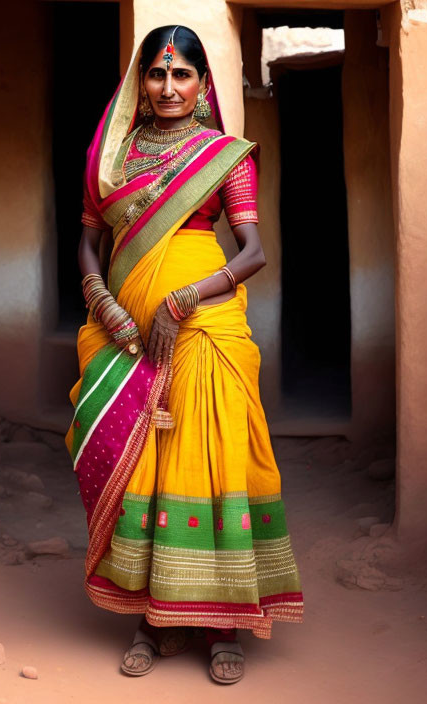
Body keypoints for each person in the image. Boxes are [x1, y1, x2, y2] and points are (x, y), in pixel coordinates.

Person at [64, 24, 303, 685]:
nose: (168, 87)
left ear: (201, 86)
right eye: (157, 74)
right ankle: (156, 616)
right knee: (143, 461)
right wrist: (99, 297)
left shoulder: (224, 155)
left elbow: (253, 252)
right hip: (123, 327)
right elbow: (88, 240)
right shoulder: (111, 158)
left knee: (209, 456)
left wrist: (185, 299)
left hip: (204, 325)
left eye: (182, 75)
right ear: (140, 83)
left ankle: (223, 622)